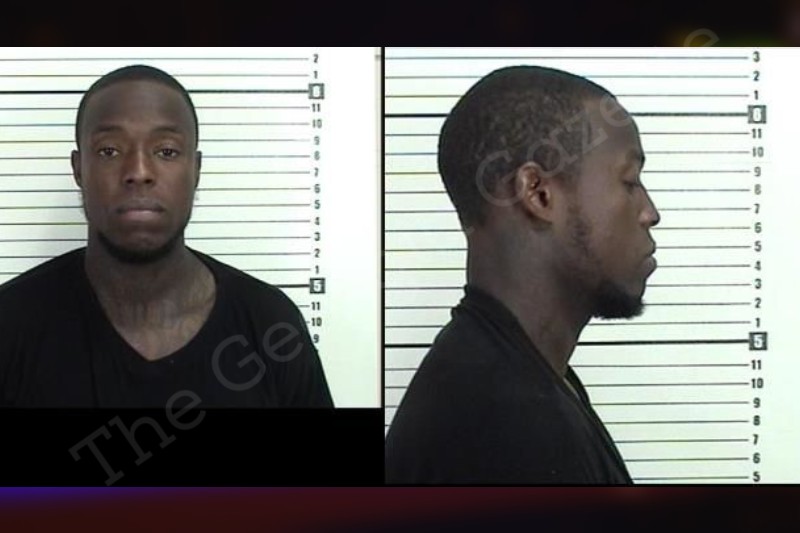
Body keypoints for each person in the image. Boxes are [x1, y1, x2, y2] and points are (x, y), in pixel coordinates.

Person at [385, 66, 660, 484]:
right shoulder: (502, 428)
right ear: (538, 194)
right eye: (630, 181)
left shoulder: (517, 378)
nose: (649, 213)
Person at [0, 65, 333, 408]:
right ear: (78, 169)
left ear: (196, 170)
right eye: (109, 150)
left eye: (167, 151)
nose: (139, 172)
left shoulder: (269, 326)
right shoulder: (10, 324)